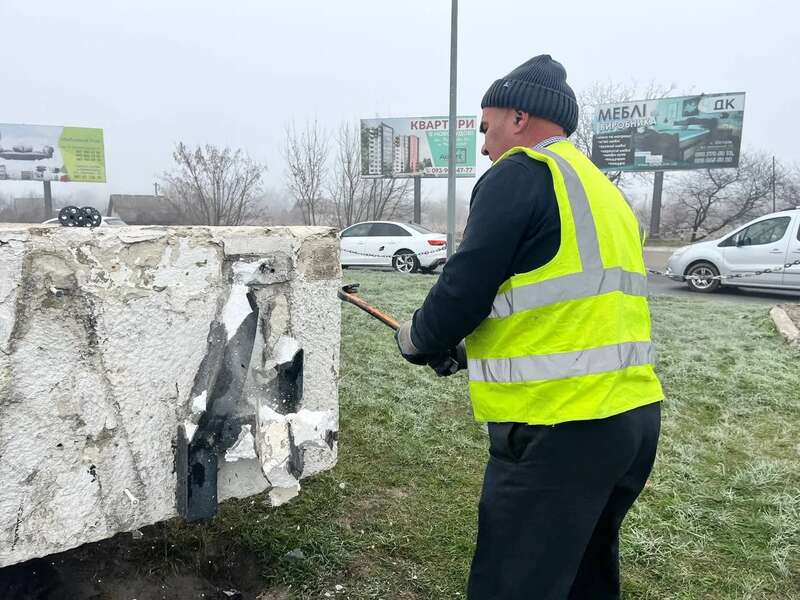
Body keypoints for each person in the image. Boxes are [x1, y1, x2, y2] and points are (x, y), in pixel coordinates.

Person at [395, 55, 664, 600]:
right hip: (630, 422)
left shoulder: (520, 174)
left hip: (558, 430)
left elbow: (464, 287)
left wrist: (419, 338)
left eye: (487, 125)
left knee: (512, 583)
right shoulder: (600, 188)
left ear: (519, 119)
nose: (485, 143)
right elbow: (570, 311)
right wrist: (471, 350)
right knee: (584, 576)